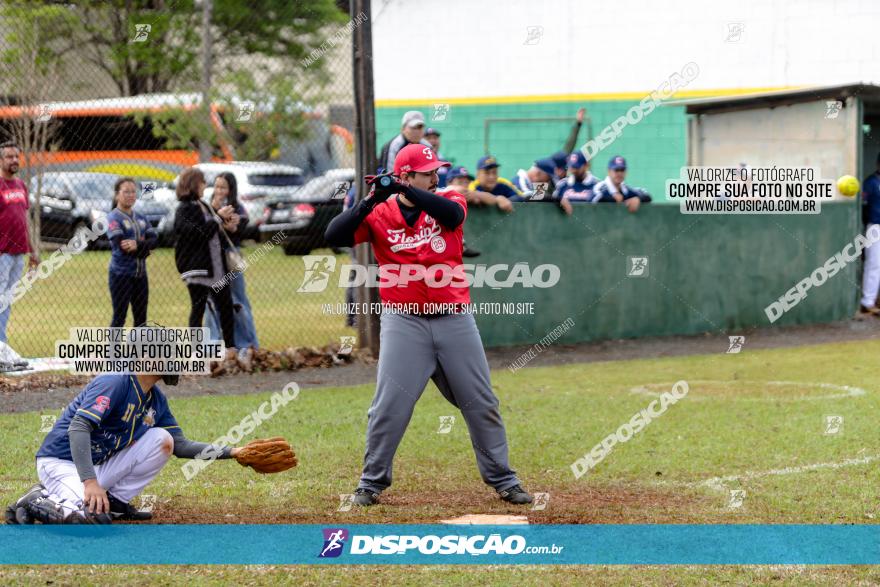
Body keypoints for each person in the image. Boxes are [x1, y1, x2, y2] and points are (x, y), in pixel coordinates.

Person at [324, 143, 533, 507]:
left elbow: (451, 215)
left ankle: (504, 479)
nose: (436, 177)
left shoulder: (449, 197)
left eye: (436, 171)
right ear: (405, 173)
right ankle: (370, 483)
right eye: (428, 172)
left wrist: (406, 189)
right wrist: (370, 201)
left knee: (480, 401)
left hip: (453, 318)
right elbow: (334, 236)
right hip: (404, 322)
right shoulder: (381, 213)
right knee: (389, 406)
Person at [4, 372, 245, 524]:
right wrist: (89, 482)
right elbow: (79, 427)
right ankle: (34, 499)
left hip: (96, 466)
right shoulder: (115, 382)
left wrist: (234, 452)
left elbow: (180, 446)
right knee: (90, 520)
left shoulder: (155, 400)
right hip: (61, 462)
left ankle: (115, 503)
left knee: (163, 439)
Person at [172, 167, 237, 362]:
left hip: (216, 267)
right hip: (198, 268)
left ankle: (231, 349)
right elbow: (199, 232)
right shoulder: (184, 209)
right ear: (193, 184)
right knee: (198, 307)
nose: (205, 186)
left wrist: (223, 218)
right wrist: (217, 217)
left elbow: (213, 229)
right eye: (202, 182)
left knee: (225, 305)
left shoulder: (203, 205)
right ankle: (194, 353)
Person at [203, 172, 259, 360]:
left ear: (231, 189)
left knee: (239, 302)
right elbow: (202, 230)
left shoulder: (237, 207)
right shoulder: (207, 207)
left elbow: (241, 226)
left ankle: (247, 343)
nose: (219, 191)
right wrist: (216, 214)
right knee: (211, 303)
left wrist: (231, 224)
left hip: (230, 260)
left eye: (223, 187)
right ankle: (211, 344)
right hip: (211, 261)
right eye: (217, 186)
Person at [0, 141, 39, 348]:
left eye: (16, 156)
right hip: (2, 253)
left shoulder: (21, 185)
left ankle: (2, 344)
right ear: (1, 160)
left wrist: (33, 250)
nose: (14, 160)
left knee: (7, 299)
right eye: (9, 157)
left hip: (19, 253)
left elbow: (25, 220)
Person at [106, 177, 158, 327]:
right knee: (120, 316)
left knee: (141, 318)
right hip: (121, 275)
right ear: (117, 195)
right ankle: (114, 350)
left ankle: (139, 350)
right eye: (126, 192)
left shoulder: (141, 218)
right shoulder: (113, 218)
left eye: (133, 192)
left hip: (140, 275)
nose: (130, 195)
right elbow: (121, 246)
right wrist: (146, 250)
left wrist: (139, 245)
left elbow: (155, 241)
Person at [860, 153, 880, 316]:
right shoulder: (871, 182)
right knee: (874, 264)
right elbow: (863, 207)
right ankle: (867, 302)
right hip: (875, 227)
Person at [550, 107, 587, 180]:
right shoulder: (546, 178)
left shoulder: (568, 181)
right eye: (558, 169)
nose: (560, 172)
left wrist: (578, 123)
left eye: (563, 169)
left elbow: (571, 142)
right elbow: (539, 190)